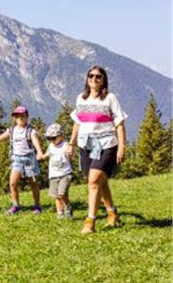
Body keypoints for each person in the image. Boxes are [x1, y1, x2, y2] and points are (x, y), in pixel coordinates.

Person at [67, 65, 127, 234]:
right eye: (91, 76)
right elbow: (77, 123)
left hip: (107, 144)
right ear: (87, 79)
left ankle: (90, 222)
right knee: (100, 182)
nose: (94, 79)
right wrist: (71, 144)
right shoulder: (81, 99)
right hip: (86, 145)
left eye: (98, 77)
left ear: (103, 80)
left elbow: (120, 124)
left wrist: (122, 147)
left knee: (93, 181)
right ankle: (112, 213)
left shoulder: (110, 98)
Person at [0, 106, 44, 215]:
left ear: (27, 117)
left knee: (33, 183)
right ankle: (16, 205)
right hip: (17, 159)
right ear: (14, 118)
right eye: (17, 116)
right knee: (13, 183)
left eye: (22, 116)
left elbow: (36, 142)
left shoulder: (31, 131)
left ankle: (37, 206)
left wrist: (39, 152)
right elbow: (0, 138)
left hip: (29, 159)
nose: (20, 118)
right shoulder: (11, 130)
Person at [40, 123, 73, 220]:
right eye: (49, 138)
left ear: (60, 136)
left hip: (65, 173)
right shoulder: (51, 146)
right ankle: (60, 213)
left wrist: (70, 152)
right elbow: (48, 153)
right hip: (54, 175)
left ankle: (67, 206)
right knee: (57, 196)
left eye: (53, 138)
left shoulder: (65, 145)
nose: (51, 140)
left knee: (62, 193)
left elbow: (70, 152)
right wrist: (42, 156)